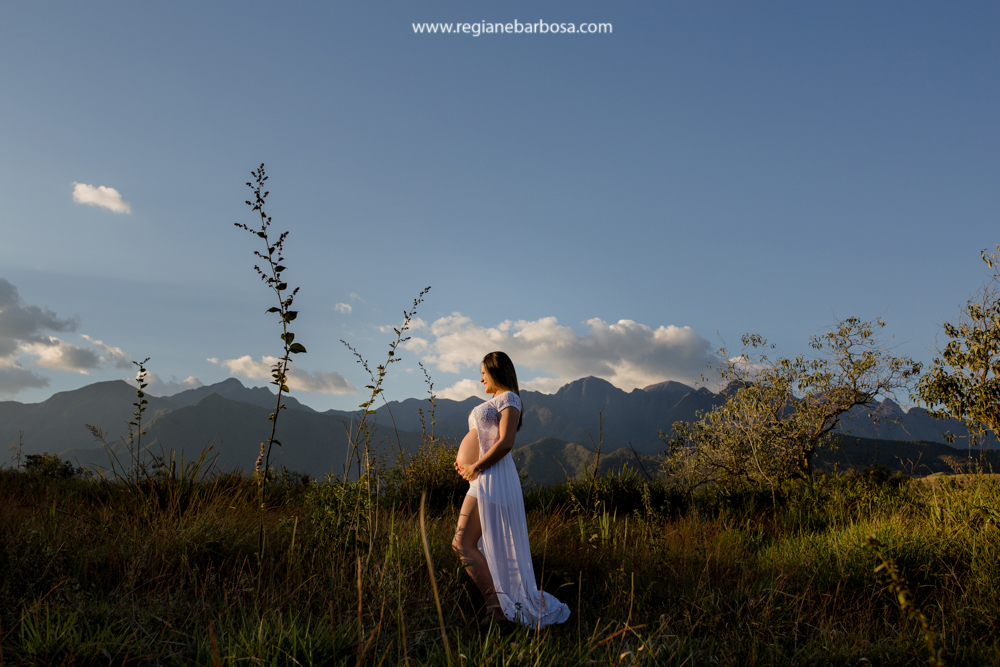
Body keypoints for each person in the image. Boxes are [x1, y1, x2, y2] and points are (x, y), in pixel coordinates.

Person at [452, 351, 571, 627]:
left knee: (462, 543)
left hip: (492, 477)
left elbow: (506, 442)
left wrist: (476, 466)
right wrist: (466, 465)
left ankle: (496, 610)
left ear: (496, 371)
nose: (480, 377)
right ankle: (499, 607)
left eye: (483, 372)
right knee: (471, 544)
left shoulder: (509, 398)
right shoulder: (493, 401)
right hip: (480, 477)